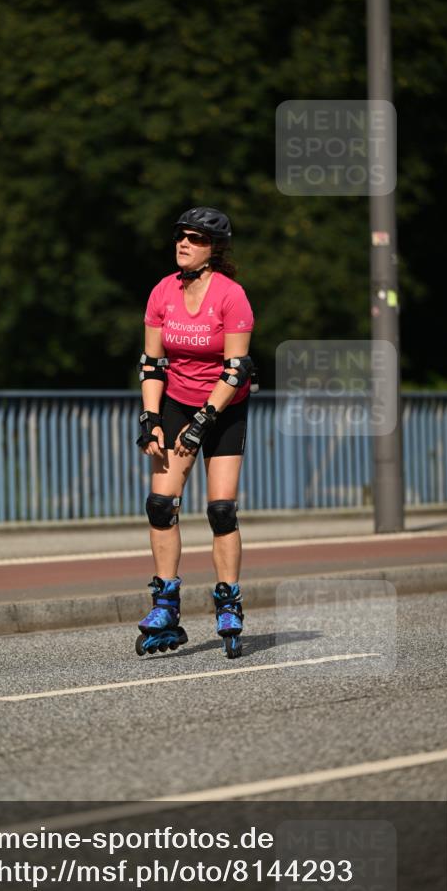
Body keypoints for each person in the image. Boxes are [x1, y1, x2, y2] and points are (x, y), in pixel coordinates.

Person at [135, 206, 255, 660]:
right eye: (180, 236)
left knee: (220, 509)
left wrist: (204, 419)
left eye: (195, 238)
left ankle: (228, 602)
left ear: (215, 249)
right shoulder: (162, 292)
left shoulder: (231, 296)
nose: (183, 243)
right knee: (160, 503)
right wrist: (150, 417)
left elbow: (237, 367)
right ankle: (165, 606)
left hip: (225, 405)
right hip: (176, 401)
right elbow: (151, 364)